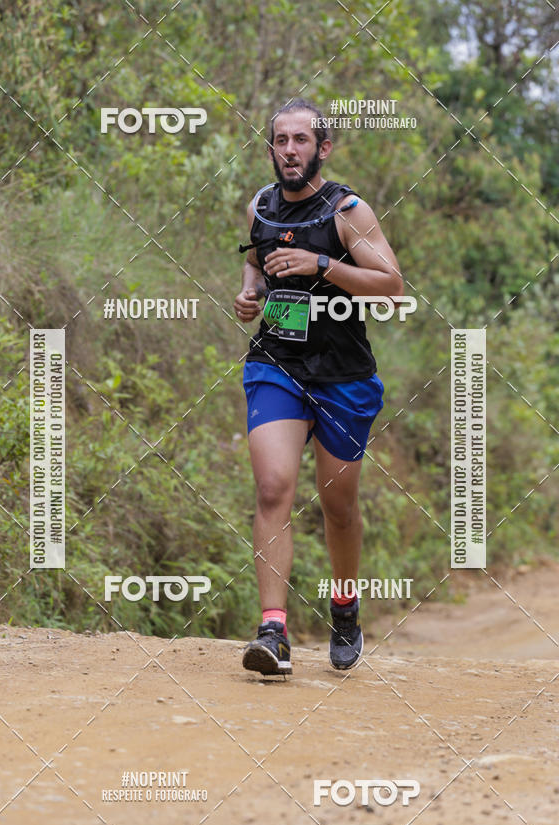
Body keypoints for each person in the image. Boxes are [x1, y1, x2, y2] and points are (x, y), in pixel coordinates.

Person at [234, 99, 403, 675]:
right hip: (276, 364)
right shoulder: (260, 204)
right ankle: (273, 632)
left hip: (341, 375)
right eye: (280, 140)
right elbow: (256, 264)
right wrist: (248, 293)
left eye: (301, 140)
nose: (289, 150)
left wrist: (320, 264)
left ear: (322, 148)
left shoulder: (348, 210)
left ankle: (345, 604)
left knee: (338, 505)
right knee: (273, 487)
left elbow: (391, 285)